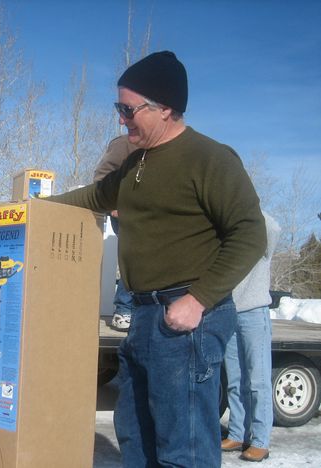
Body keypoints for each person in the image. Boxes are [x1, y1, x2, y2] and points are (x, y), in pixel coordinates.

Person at [47, 51, 266, 467]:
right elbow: (94, 196)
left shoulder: (210, 158)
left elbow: (249, 234)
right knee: (135, 435)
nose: (121, 118)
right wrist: (33, 209)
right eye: (119, 107)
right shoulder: (137, 161)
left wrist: (198, 300)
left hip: (187, 319)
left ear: (165, 108)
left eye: (128, 109)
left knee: (183, 448)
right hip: (145, 316)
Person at [222, 211, 281, 462]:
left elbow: (274, 227)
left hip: (254, 314)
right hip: (228, 313)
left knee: (257, 381)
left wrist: (247, 202)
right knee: (235, 380)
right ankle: (237, 432)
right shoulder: (227, 239)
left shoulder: (262, 239)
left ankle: (260, 441)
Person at [93, 135, 138, 332]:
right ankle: (124, 309)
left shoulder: (165, 146)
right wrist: (113, 206)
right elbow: (102, 176)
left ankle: (137, 309)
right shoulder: (125, 143)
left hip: (153, 215)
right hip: (126, 213)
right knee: (134, 257)